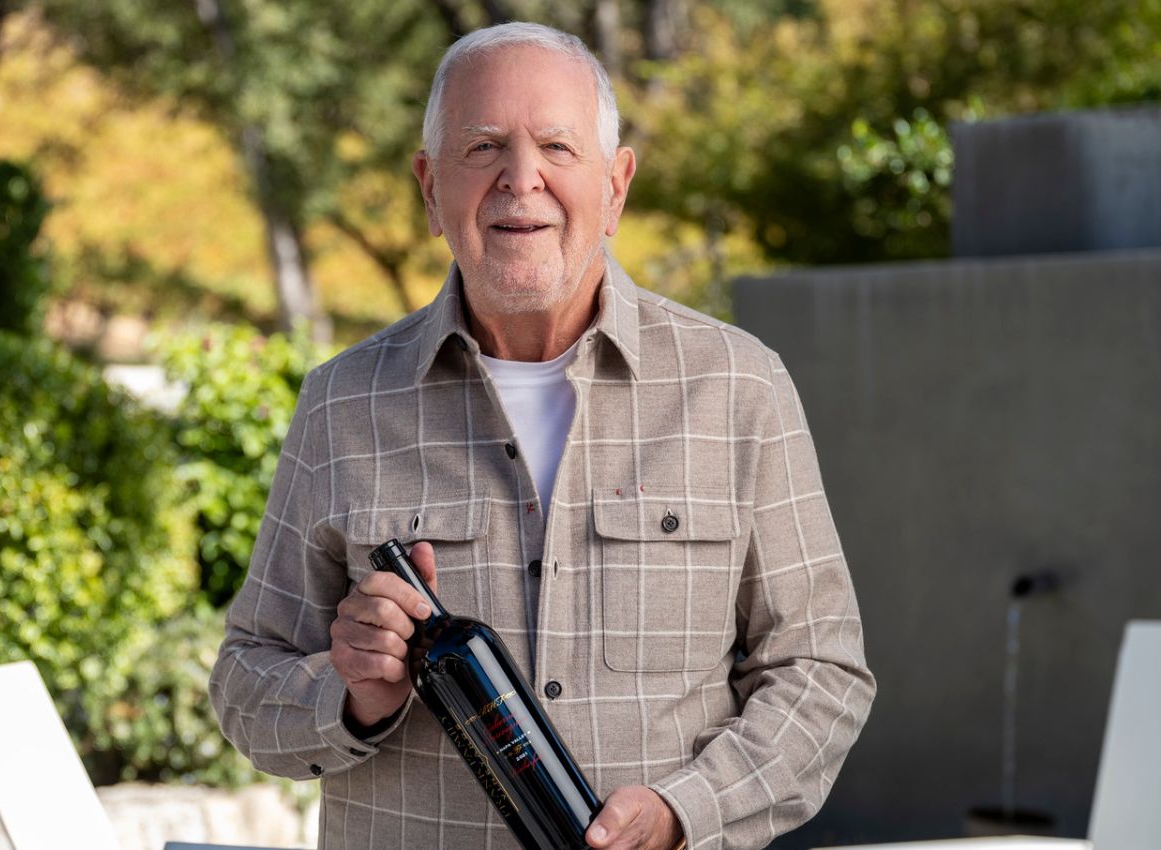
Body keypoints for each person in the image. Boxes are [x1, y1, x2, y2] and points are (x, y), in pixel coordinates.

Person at [208, 21, 875, 850]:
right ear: (428, 188)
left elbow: (820, 673)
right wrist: (348, 697)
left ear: (617, 185)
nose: (521, 181)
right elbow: (245, 680)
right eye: (482, 147)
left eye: (557, 147)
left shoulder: (737, 386)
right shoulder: (342, 403)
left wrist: (685, 814)